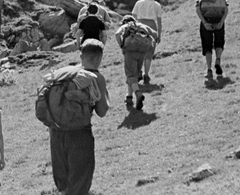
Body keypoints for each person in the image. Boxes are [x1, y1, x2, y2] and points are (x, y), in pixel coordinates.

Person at [48, 38, 110, 195]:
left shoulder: (63, 74)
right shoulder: (94, 78)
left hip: (56, 131)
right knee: (80, 183)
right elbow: (102, 111)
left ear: (81, 55)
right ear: (99, 58)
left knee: (64, 186)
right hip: (79, 133)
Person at [114, 15, 158, 110]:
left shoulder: (126, 26)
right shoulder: (141, 25)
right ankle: (129, 97)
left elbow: (117, 34)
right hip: (142, 51)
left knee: (130, 75)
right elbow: (155, 34)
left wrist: (122, 45)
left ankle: (137, 94)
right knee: (136, 75)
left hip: (130, 50)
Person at [195, 0, 230, 79]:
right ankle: (218, 60)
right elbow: (226, 8)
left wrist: (205, 23)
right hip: (219, 19)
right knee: (219, 43)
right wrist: (221, 21)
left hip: (207, 19)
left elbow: (198, 9)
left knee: (207, 46)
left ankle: (209, 70)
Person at [130, 0, 163, 83]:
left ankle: (138, 71)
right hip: (152, 26)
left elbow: (133, 16)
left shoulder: (139, 3)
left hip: (140, 25)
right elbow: (159, 21)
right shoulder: (157, 5)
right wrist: (159, 34)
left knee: (139, 50)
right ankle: (146, 74)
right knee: (149, 51)